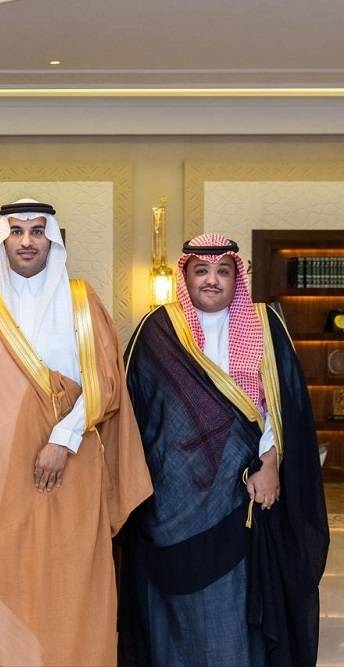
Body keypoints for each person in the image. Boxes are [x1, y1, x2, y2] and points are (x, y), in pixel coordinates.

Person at [0, 199, 152, 666]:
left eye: (37, 231)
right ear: (3, 240)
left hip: (67, 469)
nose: (27, 241)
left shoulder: (81, 300)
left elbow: (105, 384)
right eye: (17, 231)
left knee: (65, 580)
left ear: (52, 239)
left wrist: (61, 439)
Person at [119, 232, 329, 666]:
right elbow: (133, 412)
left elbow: (281, 408)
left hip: (241, 495)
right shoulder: (157, 330)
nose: (211, 280)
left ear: (237, 277)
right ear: (185, 277)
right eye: (201, 271)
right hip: (170, 500)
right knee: (171, 608)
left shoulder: (266, 326)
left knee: (234, 605)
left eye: (222, 271)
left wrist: (270, 464)